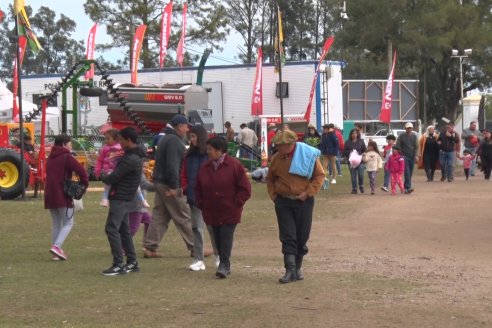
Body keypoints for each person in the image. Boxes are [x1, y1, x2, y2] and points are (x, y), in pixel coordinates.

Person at [266, 130, 325, 284]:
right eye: (277, 145)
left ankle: (297, 268)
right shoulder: (276, 159)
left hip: (303, 202)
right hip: (283, 202)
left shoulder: (308, 156)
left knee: (302, 236)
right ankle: (289, 269)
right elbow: (270, 180)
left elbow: (319, 176)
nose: (278, 148)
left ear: (291, 145)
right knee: (288, 236)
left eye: (281, 146)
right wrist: (274, 197)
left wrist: (308, 193)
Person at [144, 114, 203, 259]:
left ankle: (150, 247)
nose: (187, 129)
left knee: (160, 216)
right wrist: (175, 187)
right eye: (186, 126)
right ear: (179, 126)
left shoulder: (165, 139)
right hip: (168, 184)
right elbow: (173, 166)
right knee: (183, 215)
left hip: (160, 182)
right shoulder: (174, 141)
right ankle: (196, 248)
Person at [195, 137, 252, 278]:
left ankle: (224, 264)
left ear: (219, 151)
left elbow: (245, 188)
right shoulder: (204, 167)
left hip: (229, 210)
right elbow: (198, 188)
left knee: (226, 236)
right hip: (211, 211)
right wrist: (201, 203)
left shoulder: (234, 166)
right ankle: (224, 263)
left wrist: (236, 203)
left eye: (210, 149)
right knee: (217, 238)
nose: (208, 152)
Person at [100, 127, 147, 276]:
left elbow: (114, 177)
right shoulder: (133, 156)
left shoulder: (130, 159)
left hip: (121, 197)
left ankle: (118, 264)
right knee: (123, 229)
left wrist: (103, 175)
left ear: (128, 140)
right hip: (126, 197)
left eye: (121, 140)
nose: (119, 143)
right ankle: (132, 261)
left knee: (111, 228)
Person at [45, 134, 89, 261]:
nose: (71, 146)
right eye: (70, 144)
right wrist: (84, 184)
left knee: (56, 223)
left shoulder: (51, 157)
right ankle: (57, 247)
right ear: (64, 144)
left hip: (50, 193)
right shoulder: (67, 157)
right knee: (69, 222)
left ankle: (55, 252)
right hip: (62, 193)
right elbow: (81, 171)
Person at [181, 125, 219, 271]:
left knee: (212, 228)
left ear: (200, 137)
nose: (191, 139)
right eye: (190, 136)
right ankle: (198, 259)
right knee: (197, 227)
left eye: (194, 136)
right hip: (193, 196)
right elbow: (184, 173)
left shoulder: (209, 155)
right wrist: (185, 187)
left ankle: (218, 256)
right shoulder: (189, 155)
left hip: (209, 197)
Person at [96, 129, 150, 208]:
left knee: (137, 186)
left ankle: (142, 200)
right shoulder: (104, 149)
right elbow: (100, 160)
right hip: (109, 170)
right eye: (105, 138)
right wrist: (97, 170)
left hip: (119, 169)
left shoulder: (122, 148)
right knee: (107, 185)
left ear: (115, 139)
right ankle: (104, 199)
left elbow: (130, 156)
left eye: (108, 138)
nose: (106, 140)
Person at [129, 167, 155, 239]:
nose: (146, 167)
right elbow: (144, 184)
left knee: (150, 222)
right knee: (132, 229)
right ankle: (122, 247)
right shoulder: (137, 173)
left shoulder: (141, 173)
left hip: (141, 207)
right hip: (136, 206)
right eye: (144, 166)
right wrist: (159, 186)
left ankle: (147, 243)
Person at [396, 122, 419, 193]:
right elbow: (398, 146)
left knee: (410, 172)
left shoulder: (414, 136)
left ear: (412, 129)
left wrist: (416, 156)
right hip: (404, 156)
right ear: (405, 128)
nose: (409, 129)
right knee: (407, 172)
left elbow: (417, 147)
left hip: (412, 156)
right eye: (408, 128)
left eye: (410, 128)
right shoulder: (401, 136)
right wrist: (400, 154)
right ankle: (408, 187)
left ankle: (406, 187)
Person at [343, 128, 367, 194]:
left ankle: (361, 186)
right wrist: (350, 152)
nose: (354, 135)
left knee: (361, 174)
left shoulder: (361, 141)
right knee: (353, 175)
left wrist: (364, 154)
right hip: (351, 162)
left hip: (360, 161)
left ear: (357, 134)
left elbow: (364, 150)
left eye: (355, 133)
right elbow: (344, 151)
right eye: (353, 133)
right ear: (350, 134)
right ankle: (354, 188)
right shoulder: (347, 142)